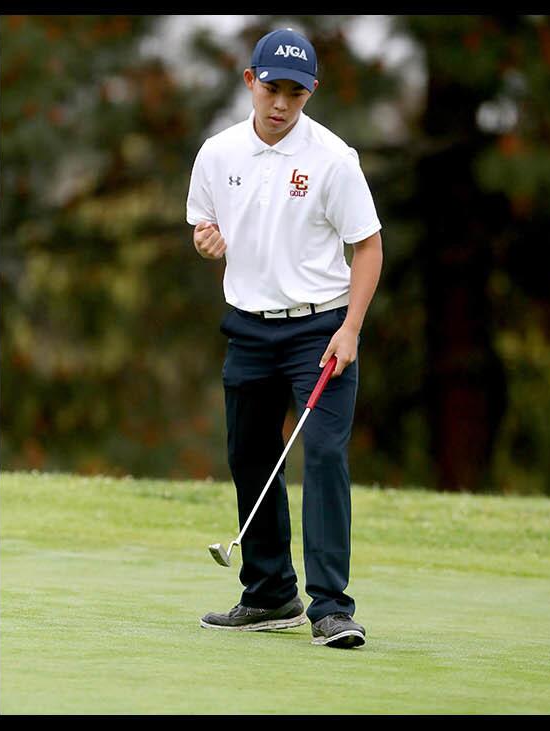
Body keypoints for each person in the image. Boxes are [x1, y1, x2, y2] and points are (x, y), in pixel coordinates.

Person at [185, 27, 383, 649]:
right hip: (248, 327)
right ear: (250, 81)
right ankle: (269, 594)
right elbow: (204, 225)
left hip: (320, 329)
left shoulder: (333, 158)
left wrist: (351, 328)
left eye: (295, 94)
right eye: (271, 88)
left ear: (310, 93)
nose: (280, 104)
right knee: (250, 455)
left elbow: (369, 244)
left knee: (322, 455)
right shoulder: (217, 154)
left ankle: (331, 608)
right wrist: (206, 240)